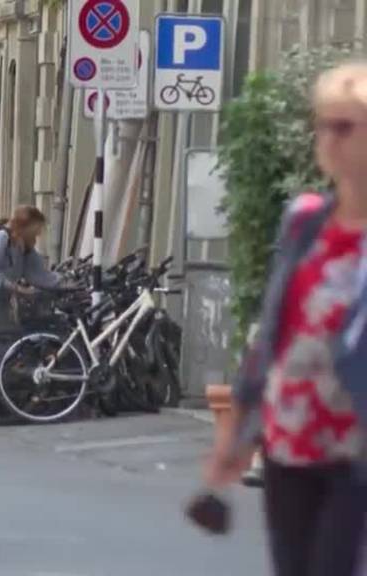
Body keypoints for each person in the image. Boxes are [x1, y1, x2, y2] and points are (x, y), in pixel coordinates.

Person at [206, 62, 367, 576]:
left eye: (345, 127)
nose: (328, 139)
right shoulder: (304, 219)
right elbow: (275, 327)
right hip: (290, 435)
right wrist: (239, 429)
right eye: (322, 124)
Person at [0, 205, 61, 415]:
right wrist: (16, 288)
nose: (38, 235)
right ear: (26, 226)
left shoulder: (24, 247)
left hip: (4, 303)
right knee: (2, 353)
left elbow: (39, 275)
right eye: (36, 230)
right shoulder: (2, 239)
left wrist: (64, 283)